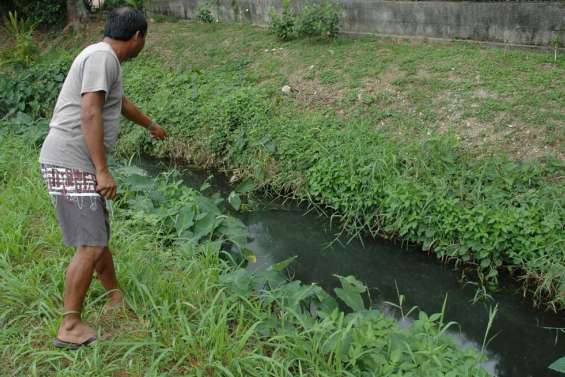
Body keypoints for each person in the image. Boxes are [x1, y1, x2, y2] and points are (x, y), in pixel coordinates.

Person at [38, 6, 166, 349]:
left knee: (98, 235)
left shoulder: (103, 58)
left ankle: (115, 299)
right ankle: (70, 326)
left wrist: (150, 124)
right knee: (91, 243)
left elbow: (118, 103)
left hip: (72, 161)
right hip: (70, 162)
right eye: (144, 39)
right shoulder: (103, 58)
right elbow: (90, 111)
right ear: (137, 36)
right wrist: (102, 169)